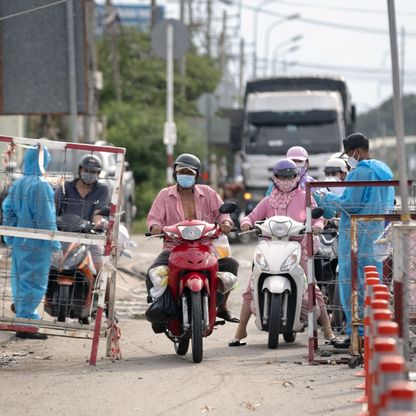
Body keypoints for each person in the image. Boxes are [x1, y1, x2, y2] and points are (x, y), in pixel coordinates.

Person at [229, 158, 339, 346]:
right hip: (269, 247)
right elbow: (252, 216)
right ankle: (241, 331)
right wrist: (247, 223)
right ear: (275, 178)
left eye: (291, 176)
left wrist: (318, 225)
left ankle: (328, 332)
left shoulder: (305, 197)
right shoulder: (268, 200)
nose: (287, 180)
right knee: (251, 286)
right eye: (283, 176)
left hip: (298, 247)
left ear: (298, 177)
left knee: (312, 287)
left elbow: (316, 218)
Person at [320, 133, 395, 349]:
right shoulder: (384, 169)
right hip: (376, 234)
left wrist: (326, 198)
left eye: (349, 156)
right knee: (373, 283)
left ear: (357, 152)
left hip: (356, 235)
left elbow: (349, 205)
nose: (349, 160)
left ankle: (358, 332)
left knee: (351, 284)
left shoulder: (361, 172)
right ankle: (372, 329)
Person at [146, 153, 240, 323]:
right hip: (173, 249)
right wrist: (155, 228)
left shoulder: (208, 193)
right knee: (152, 272)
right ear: (175, 174)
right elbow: (153, 219)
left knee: (231, 265)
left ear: (197, 175)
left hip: (205, 248)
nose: (185, 176)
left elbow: (222, 214)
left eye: (190, 173)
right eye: (182, 172)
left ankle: (222, 306)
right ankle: (158, 310)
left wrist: (226, 223)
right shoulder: (164, 195)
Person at [2, 145, 61, 339]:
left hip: (20, 239)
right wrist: (55, 243)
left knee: (20, 280)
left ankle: (24, 318)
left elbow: (7, 208)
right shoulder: (41, 185)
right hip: (38, 242)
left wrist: (10, 234)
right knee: (34, 282)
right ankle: (26, 324)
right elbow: (46, 217)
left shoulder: (18, 183)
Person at [55, 154, 109, 271]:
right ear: (80, 169)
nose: (89, 174)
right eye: (86, 170)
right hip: (63, 234)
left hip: (88, 235)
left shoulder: (102, 190)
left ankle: (98, 289)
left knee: (100, 268)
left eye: (93, 172)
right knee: (51, 265)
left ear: (98, 174)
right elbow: (54, 207)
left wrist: (98, 223)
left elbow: (99, 211)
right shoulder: (66, 187)